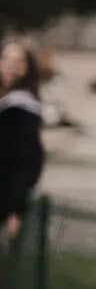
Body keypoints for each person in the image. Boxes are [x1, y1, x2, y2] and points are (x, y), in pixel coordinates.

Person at [0, 39, 46, 247]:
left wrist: (14, 210)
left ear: (27, 69)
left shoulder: (22, 110)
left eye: (18, 61)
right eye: (5, 59)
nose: (10, 66)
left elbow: (27, 163)